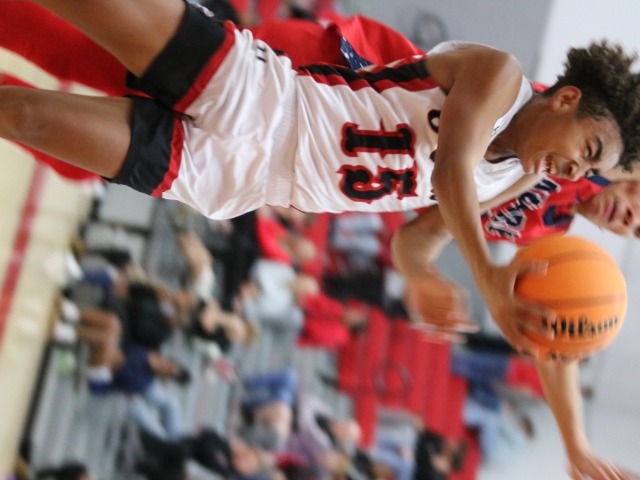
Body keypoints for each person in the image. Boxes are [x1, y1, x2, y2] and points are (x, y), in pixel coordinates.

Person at [3, 1, 639, 357]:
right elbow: (450, 166)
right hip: (254, 93)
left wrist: (422, 277)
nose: (575, 173)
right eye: (586, 150)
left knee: (23, 116)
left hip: (232, 180)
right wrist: (487, 278)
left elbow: (414, 240)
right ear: (566, 100)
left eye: (590, 170)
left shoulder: (512, 184)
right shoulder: (500, 77)